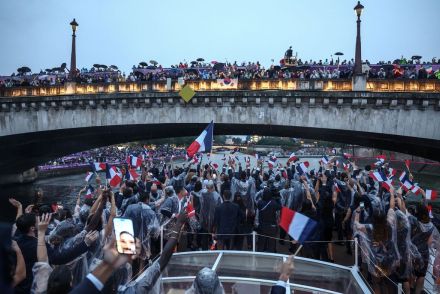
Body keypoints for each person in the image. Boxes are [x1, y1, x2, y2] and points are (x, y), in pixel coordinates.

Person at [255, 187, 281, 253]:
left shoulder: (260, 203)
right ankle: (270, 256)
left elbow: (255, 198)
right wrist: (277, 198)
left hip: (262, 226)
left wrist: (260, 192)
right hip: (271, 226)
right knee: (271, 244)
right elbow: (280, 207)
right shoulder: (273, 203)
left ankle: (259, 255)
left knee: (261, 243)